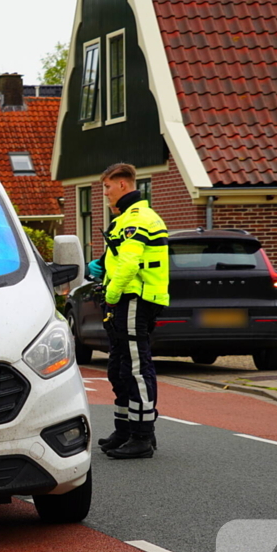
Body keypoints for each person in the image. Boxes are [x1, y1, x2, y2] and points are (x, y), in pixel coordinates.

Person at [86, 163, 170, 459]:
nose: (105, 193)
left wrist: (111, 294)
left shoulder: (138, 217)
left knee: (135, 367)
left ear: (123, 185)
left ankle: (142, 436)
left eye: (107, 187)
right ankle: (124, 429)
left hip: (135, 297)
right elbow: (120, 256)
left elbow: (131, 262)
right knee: (119, 368)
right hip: (126, 298)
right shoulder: (124, 219)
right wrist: (100, 264)